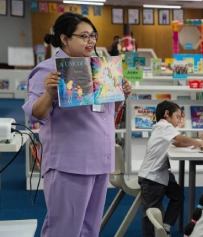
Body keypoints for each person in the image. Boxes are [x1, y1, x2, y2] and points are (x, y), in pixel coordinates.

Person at [22, 12, 132, 237]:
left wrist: (121, 95)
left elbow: (105, 113)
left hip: (100, 158)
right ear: (65, 39)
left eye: (93, 35)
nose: (91, 41)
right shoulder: (47, 69)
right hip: (69, 163)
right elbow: (35, 114)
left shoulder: (100, 66)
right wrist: (50, 93)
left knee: (90, 229)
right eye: (84, 36)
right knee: (64, 229)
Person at [138, 100, 203, 237]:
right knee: (150, 212)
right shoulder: (165, 126)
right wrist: (198, 142)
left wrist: (190, 145)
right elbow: (180, 138)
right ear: (166, 114)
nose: (178, 120)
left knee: (178, 196)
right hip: (151, 177)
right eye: (177, 116)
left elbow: (177, 142)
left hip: (160, 174)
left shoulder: (160, 127)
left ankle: (166, 227)